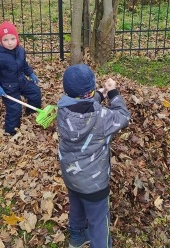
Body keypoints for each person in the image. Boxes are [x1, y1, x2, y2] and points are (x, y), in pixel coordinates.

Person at [57, 64, 131, 248]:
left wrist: (99, 94)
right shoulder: (103, 116)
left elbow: (81, 103)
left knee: (77, 206)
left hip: (71, 175)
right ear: (90, 91)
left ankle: (77, 237)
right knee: (99, 220)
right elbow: (123, 116)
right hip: (94, 183)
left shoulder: (62, 110)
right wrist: (113, 93)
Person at [0, 21, 42, 135]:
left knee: (35, 92)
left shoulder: (20, 50)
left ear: (17, 38)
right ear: (0, 41)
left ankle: (31, 112)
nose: (10, 43)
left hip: (22, 82)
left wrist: (31, 74)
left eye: (12, 39)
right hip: (8, 88)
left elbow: (24, 65)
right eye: (5, 40)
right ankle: (10, 131)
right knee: (15, 109)